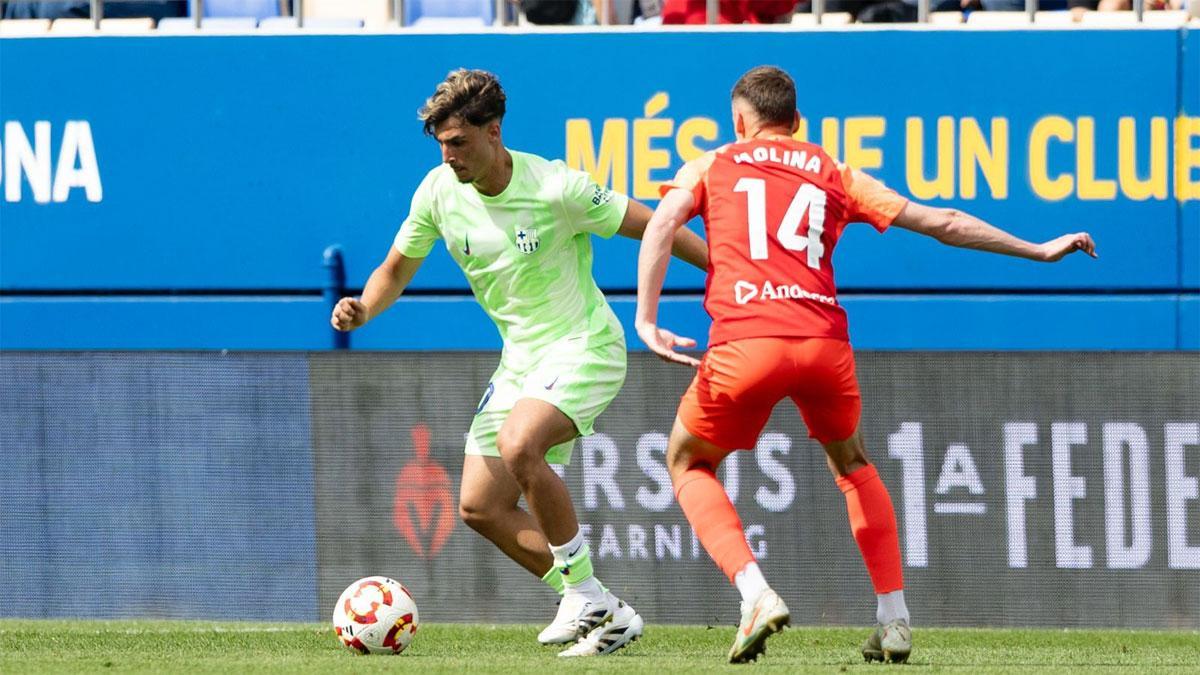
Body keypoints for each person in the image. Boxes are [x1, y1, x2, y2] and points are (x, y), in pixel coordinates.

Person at [634, 65, 1097, 664]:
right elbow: (943, 222)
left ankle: (755, 593)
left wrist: (646, 319)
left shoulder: (712, 164)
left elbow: (663, 221)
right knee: (852, 464)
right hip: (824, 345)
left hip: (745, 343)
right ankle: (895, 618)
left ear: (739, 121)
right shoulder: (833, 171)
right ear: (796, 123)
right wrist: (1036, 248)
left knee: (687, 460)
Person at [331, 68, 708, 657]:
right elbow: (395, 269)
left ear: (494, 132)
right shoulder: (436, 192)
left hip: (585, 346)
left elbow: (655, 225)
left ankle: (581, 591)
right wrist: (363, 308)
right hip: (521, 363)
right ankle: (606, 609)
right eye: (441, 144)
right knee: (479, 506)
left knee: (519, 444)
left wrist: (726, 273)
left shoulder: (557, 188)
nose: (448, 155)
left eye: (458, 142)